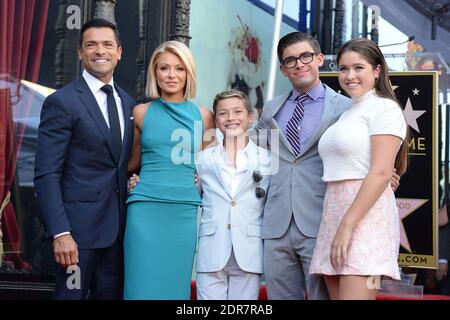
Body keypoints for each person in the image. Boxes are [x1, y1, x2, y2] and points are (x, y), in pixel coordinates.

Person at [256, 32, 401, 300]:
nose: (299, 64)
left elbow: (375, 161)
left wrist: (383, 176)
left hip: (323, 216)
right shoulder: (271, 109)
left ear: (320, 59)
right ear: (283, 69)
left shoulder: (348, 105)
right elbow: (249, 146)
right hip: (280, 222)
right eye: (290, 60)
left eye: (306, 56)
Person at [34, 19, 135, 299]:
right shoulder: (62, 102)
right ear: (80, 52)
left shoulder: (129, 104)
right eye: (90, 44)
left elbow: (122, 165)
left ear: (119, 52)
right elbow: (46, 174)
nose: (99, 51)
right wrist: (60, 232)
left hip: (118, 236)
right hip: (76, 237)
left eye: (107, 44)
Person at [309, 37, 408, 300]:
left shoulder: (384, 108)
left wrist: (347, 226)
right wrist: (338, 226)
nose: (349, 75)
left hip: (364, 220)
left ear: (377, 71)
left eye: (358, 67)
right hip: (334, 213)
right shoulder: (347, 113)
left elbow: (381, 173)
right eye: (343, 68)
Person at [124, 40, 214, 300]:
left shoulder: (204, 116)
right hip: (144, 208)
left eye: (179, 68)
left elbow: (213, 165)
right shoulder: (141, 113)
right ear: (155, 72)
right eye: (164, 68)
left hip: (183, 211)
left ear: (189, 73)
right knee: (140, 288)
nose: (172, 75)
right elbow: (130, 163)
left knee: (174, 289)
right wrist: (132, 178)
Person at [195, 89, 271, 300]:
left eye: (237, 112)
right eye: (223, 113)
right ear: (215, 119)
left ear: (250, 117)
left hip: (249, 251)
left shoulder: (268, 159)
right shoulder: (201, 160)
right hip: (211, 251)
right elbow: (191, 194)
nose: (230, 118)